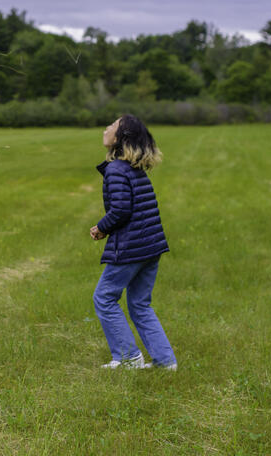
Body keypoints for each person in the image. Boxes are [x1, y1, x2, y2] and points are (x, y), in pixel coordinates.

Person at [89, 115, 177, 370]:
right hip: (152, 245)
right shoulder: (132, 168)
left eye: (112, 126)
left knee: (104, 298)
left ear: (120, 138)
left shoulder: (116, 169)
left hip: (132, 247)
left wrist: (101, 228)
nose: (106, 128)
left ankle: (128, 358)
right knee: (140, 303)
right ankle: (165, 362)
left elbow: (121, 210)